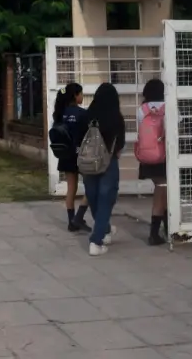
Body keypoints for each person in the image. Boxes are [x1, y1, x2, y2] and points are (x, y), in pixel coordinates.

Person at [80, 82, 126, 256]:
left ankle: (105, 230)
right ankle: (96, 241)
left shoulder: (88, 116)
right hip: (109, 162)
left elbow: (79, 139)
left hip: (88, 163)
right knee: (105, 200)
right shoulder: (116, 118)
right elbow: (120, 143)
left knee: (93, 198)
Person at [50, 83, 90, 231]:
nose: (82, 96)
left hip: (66, 155)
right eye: (81, 93)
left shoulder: (59, 114)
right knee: (91, 187)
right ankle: (79, 217)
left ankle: (71, 222)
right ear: (75, 95)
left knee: (70, 188)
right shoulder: (82, 114)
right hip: (81, 155)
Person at [135, 78, 168, 246]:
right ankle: (154, 234)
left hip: (147, 157)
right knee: (161, 191)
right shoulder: (168, 107)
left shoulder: (141, 110)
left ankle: (167, 229)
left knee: (163, 190)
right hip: (164, 156)